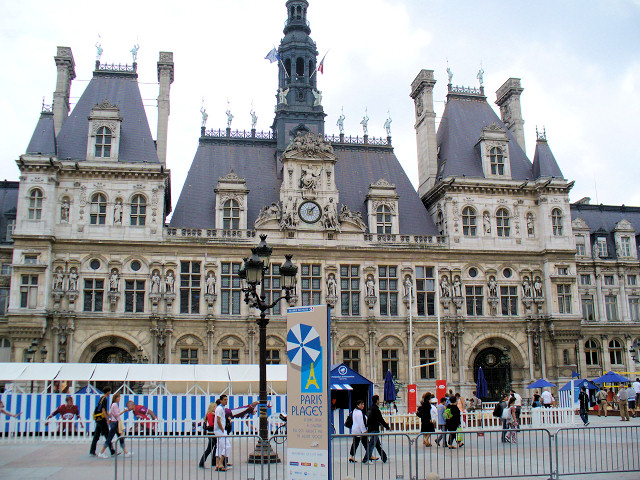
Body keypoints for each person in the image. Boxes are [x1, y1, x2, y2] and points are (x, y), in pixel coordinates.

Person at [97, 392, 133, 458]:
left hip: (114, 422)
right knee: (110, 438)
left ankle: (126, 452)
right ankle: (101, 452)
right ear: (116, 398)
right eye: (119, 397)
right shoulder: (115, 405)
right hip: (115, 423)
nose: (119, 399)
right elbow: (117, 415)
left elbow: (111, 414)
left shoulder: (112, 405)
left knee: (120, 437)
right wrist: (124, 411)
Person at [362, 395, 389, 463]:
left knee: (377, 444)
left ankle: (384, 457)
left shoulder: (370, 408)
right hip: (375, 428)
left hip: (371, 428)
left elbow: (368, 418)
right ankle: (366, 459)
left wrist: (367, 426)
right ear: (377, 400)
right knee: (372, 444)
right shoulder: (376, 409)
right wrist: (387, 427)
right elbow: (381, 419)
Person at [90, 386, 114, 457]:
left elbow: (104, 409)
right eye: (110, 391)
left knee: (96, 435)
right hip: (102, 419)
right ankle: (112, 450)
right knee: (107, 435)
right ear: (108, 392)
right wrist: (107, 419)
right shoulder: (105, 399)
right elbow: (103, 410)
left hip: (98, 419)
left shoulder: (101, 398)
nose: (110, 392)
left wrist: (110, 416)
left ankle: (92, 450)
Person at [199, 402, 217, 468]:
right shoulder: (210, 414)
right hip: (211, 433)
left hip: (212, 433)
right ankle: (212, 462)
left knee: (210, 448)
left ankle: (203, 462)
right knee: (212, 448)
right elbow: (211, 424)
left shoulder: (211, 414)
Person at [214, 395, 230, 471]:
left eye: (226, 400)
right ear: (221, 400)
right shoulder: (220, 409)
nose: (226, 401)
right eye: (224, 400)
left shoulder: (220, 408)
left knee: (219, 447)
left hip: (219, 430)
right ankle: (220, 463)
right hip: (220, 430)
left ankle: (217, 464)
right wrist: (223, 429)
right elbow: (218, 420)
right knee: (226, 446)